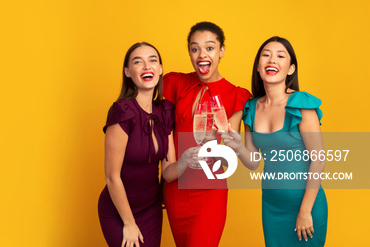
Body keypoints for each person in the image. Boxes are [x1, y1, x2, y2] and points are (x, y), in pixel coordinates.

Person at [222, 36, 328, 246]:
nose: (272, 60)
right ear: (258, 68)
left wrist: (305, 211)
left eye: (280, 56)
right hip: (272, 207)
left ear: (290, 69)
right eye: (266, 55)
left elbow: (319, 160)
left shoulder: (301, 104)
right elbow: (253, 162)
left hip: (305, 207)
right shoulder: (250, 108)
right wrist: (236, 145)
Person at [98, 42, 200, 247]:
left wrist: (186, 159)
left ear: (160, 69)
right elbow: (112, 176)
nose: (147, 66)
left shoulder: (164, 111)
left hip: (151, 208)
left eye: (153, 60)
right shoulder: (122, 111)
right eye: (138, 62)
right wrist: (128, 223)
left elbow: (169, 171)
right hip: (119, 211)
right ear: (127, 72)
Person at [161, 21, 252, 246]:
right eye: (195, 48)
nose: (202, 54)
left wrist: (218, 147)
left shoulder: (236, 96)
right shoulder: (174, 84)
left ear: (221, 51)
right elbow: (159, 128)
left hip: (209, 190)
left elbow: (227, 159)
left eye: (210, 47)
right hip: (176, 190)